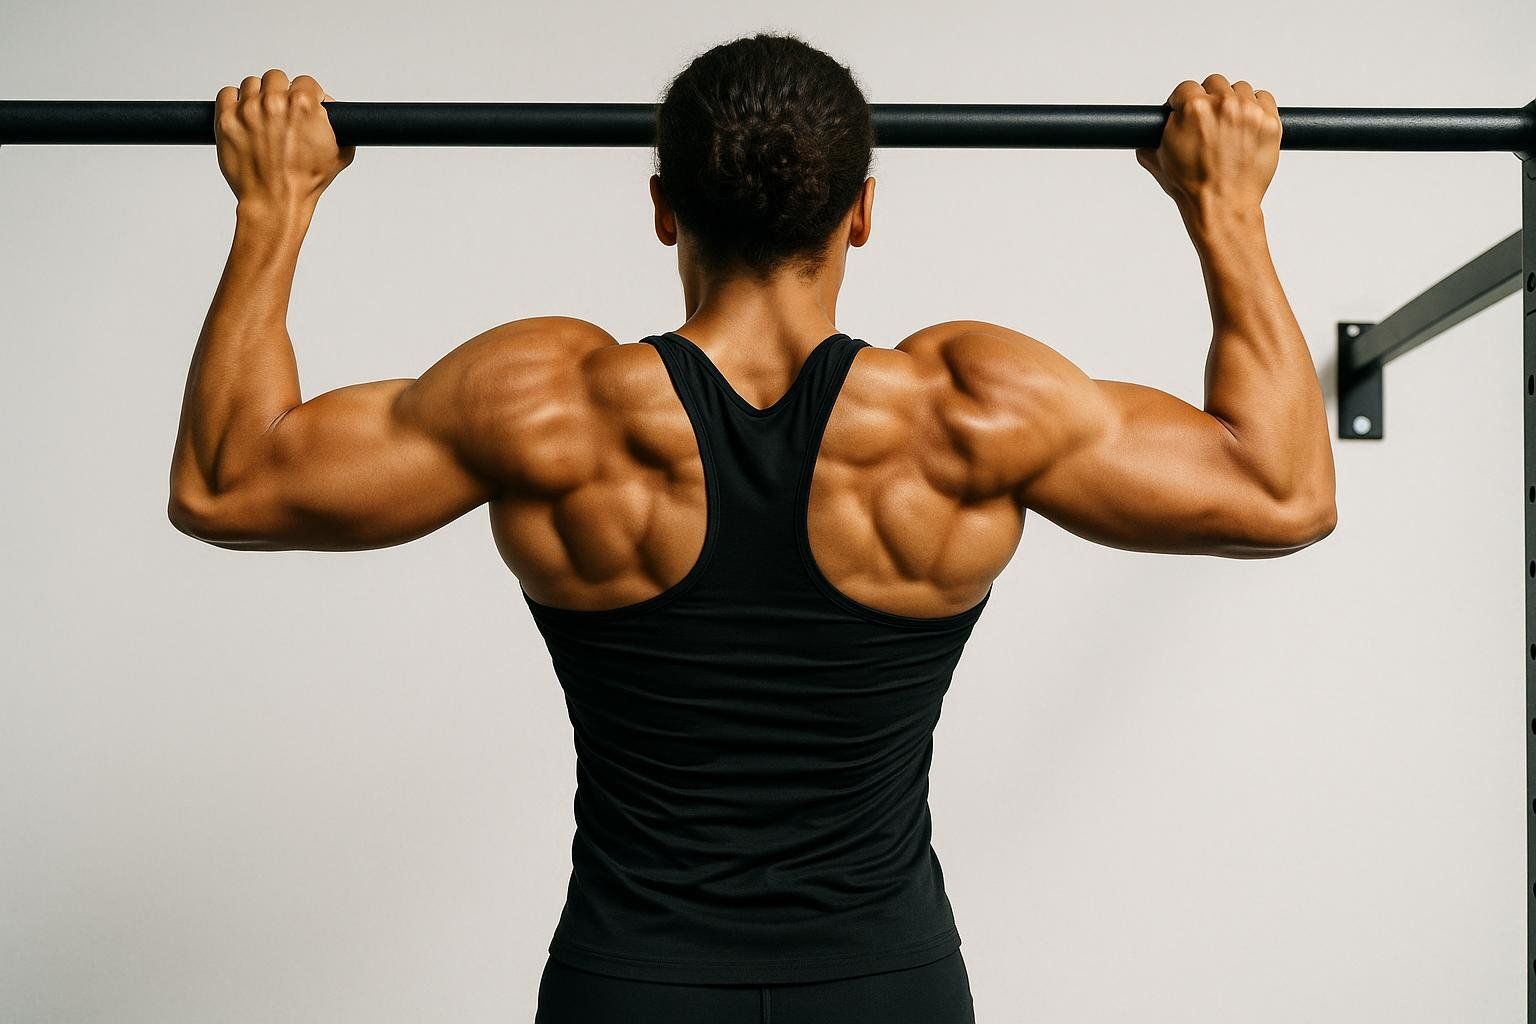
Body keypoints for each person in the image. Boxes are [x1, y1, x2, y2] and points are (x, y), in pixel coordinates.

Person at [167, 32, 1337, 1024]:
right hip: (890, 987)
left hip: (630, 986)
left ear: (664, 206)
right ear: (863, 213)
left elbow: (227, 482)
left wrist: (275, 207)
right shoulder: (970, 412)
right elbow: (1281, 490)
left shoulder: (550, 407)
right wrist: (1226, 212)